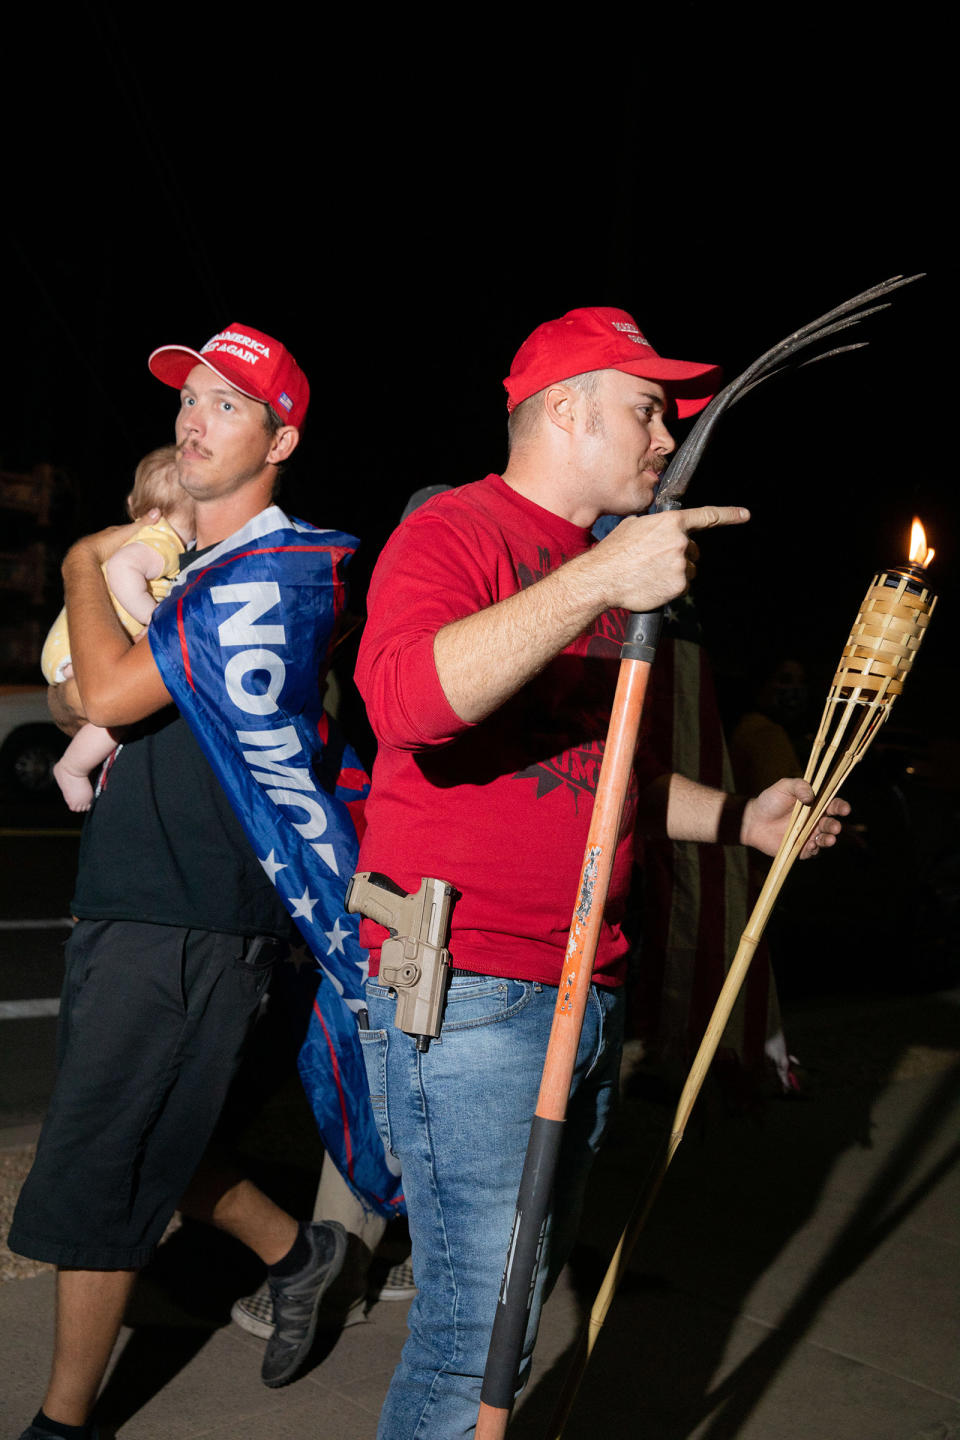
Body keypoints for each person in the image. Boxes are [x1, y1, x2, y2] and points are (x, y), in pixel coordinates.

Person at [353, 305, 848, 1438]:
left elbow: (606, 774)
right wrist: (598, 582)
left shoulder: (597, 567)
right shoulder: (457, 529)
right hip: (470, 988)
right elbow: (408, 702)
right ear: (565, 409)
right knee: (472, 1337)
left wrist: (740, 822)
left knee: (510, 1328)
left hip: (585, 987)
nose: (667, 438)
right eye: (646, 410)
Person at [9, 325, 358, 1440]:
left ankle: (62, 1427)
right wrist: (93, 684)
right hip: (133, 892)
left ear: (282, 438)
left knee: (104, 1164)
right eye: (189, 399)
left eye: (226, 404)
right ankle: (300, 1253)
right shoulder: (200, 570)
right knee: (128, 1130)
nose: (191, 419)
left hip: (194, 912)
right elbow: (80, 699)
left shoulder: (271, 576)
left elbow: (103, 696)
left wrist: (78, 561)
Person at [41, 445, 196, 811]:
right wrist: (152, 615)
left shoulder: (157, 535)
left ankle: (74, 766)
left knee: (120, 707)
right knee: (121, 710)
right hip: (80, 649)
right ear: (155, 514)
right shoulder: (162, 539)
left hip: (73, 645)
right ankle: (73, 767)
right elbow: (120, 569)